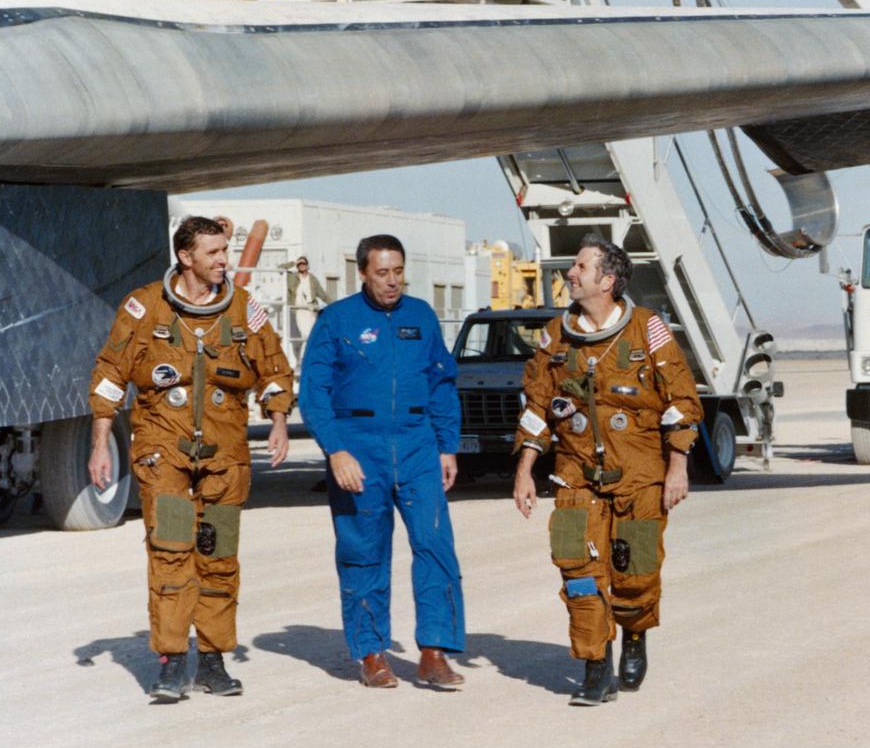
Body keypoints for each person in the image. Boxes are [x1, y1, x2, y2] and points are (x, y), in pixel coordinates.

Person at [87, 216, 294, 702]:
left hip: (224, 458)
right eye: (214, 253)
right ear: (186, 257)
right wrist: (100, 441)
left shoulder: (243, 310)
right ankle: (172, 661)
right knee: (173, 551)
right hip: (165, 452)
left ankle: (214, 662)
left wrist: (279, 420)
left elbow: (275, 369)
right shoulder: (143, 308)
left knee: (218, 557)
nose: (225, 260)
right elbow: (111, 372)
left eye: (226, 250)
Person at [511, 234, 702, 706]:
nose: (569, 273)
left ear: (608, 280)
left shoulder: (646, 330)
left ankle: (634, 635)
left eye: (579, 267)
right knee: (577, 569)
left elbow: (681, 402)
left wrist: (677, 466)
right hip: (576, 474)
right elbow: (537, 406)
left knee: (634, 573)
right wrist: (525, 470)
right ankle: (596, 666)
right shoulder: (555, 338)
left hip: (639, 475)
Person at [298, 234, 466, 691]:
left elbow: (442, 383)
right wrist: (336, 450)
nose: (392, 282)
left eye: (398, 272)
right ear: (363, 273)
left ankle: (434, 652)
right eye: (382, 273)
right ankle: (372, 653)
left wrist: (446, 445)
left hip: (416, 446)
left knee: (435, 545)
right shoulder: (337, 320)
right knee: (363, 551)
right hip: (358, 446)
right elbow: (313, 392)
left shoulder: (421, 316)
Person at [280, 255, 330, 342]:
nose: (301, 265)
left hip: (310, 310)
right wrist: (293, 263)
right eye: (299, 264)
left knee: (311, 335)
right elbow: (280, 268)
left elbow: (323, 295)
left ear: (307, 265)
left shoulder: (313, 279)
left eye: (303, 263)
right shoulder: (291, 276)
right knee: (301, 337)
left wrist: (335, 305)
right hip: (297, 310)